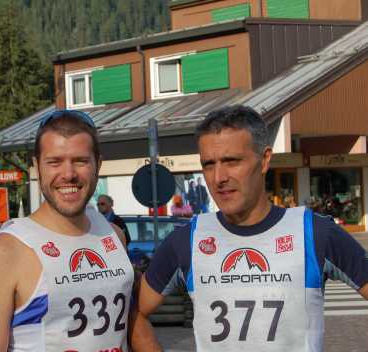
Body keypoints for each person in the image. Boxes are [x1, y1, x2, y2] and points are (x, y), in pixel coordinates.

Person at [130, 105, 368, 351]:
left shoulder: (314, 233)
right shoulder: (187, 240)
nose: (219, 177)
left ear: (264, 160)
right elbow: (134, 313)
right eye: (209, 164)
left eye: (231, 161)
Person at [0, 110, 134, 351]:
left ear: (98, 164)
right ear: (37, 166)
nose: (68, 174)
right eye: (54, 162)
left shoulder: (113, 235)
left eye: (80, 161)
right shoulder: (5, 251)